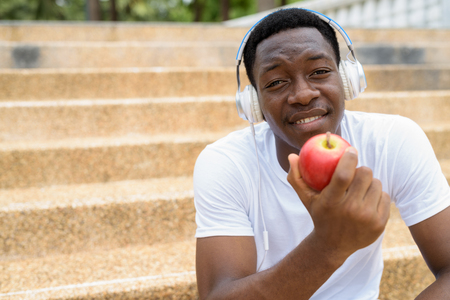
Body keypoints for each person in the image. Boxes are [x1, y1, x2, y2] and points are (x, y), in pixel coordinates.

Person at [194, 8, 450, 300]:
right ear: (254, 106)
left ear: (347, 80)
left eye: (319, 72)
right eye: (276, 82)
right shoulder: (225, 164)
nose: (303, 94)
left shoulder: (393, 139)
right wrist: (328, 246)